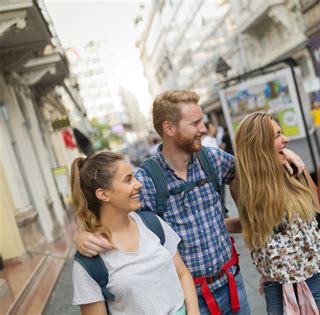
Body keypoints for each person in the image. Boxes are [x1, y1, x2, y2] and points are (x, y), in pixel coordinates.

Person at [74, 90, 305, 314]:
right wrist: (83, 235)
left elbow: (252, 168)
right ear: (169, 128)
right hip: (189, 295)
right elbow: (112, 213)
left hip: (232, 282)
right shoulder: (147, 181)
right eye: (195, 124)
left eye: (202, 122)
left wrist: (283, 155)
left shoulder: (211, 159)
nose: (203, 129)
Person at [232, 112, 320, 315]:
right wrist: (218, 226)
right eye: (276, 135)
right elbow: (250, 222)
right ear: (259, 145)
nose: (285, 139)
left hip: (316, 273)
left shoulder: (295, 169)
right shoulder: (244, 185)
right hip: (276, 285)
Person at [70, 152, 199, 315]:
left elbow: (183, 274)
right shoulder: (88, 262)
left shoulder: (153, 224)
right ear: (103, 194)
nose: (138, 184)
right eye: (128, 179)